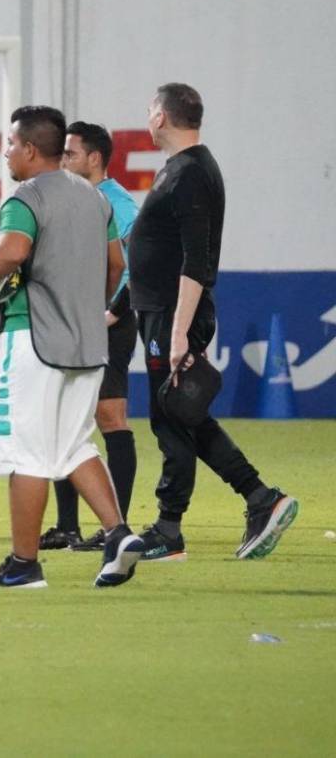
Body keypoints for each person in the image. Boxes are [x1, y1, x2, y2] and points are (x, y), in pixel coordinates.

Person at [0, 105, 143, 589]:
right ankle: (118, 534)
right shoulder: (94, 199)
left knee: (25, 453)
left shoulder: (26, 197)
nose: (6, 151)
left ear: (31, 149)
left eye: (11, 143)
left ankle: (23, 563)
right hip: (87, 344)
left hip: (31, 340)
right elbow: (116, 264)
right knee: (72, 445)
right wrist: (84, 306)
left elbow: (12, 251)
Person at [128, 83, 297, 561]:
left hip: (172, 318)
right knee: (183, 415)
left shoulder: (193, 173)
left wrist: (179, 332)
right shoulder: (181, 170)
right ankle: (261, 499)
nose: (147, 118)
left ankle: (169, 529)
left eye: (149, 111)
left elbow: (196, 262)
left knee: (171, 420)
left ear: (162, 117)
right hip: (160, 314)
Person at [40, 121, 141, 552]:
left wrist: (110, 313)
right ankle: (67, 526)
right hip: (71, 321)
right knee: (64, 417)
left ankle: (114, 523)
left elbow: (135, 268)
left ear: (94, 158)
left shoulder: (120, 204)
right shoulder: (68, 198)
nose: (63, 160)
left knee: (110, 418)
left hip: (108, 323)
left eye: (71, 154)